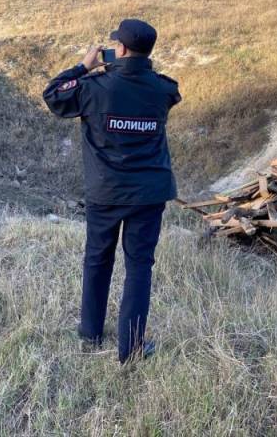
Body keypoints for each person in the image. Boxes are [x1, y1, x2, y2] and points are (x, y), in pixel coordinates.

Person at [43, 18, 181, 364]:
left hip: (106, 191)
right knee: (139, 267)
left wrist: (83, 66)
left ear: (119, 49)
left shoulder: (93, 87)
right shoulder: (163, 90)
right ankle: (131, 348)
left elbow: (53, 96)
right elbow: (165, 92)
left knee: (97, 258)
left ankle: (90, 332)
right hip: (149, 193)